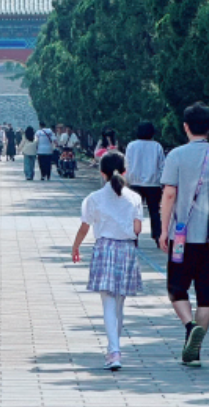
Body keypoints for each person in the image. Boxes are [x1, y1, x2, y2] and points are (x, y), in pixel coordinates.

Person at [159, 102, 209, 367]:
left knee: (177, 289)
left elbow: (169, 194)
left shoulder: (176, 155)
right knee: (207, 296)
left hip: (182, 239)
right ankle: (196, 349)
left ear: (186, 127)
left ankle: (190, 328)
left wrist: (163, 229)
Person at [72, 150, 143, 371]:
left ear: (102, 173)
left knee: (108, 304)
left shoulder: (94, 198)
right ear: (124, 171)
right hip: (126, 250)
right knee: (119, 304)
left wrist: (75, 247)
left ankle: (114, 351)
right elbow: (138, 229)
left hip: (105, 249)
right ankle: (114, 348)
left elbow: (85, 226)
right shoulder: (134, 198)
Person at [125, 121, 166, 245]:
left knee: (134, 211)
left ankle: (133, 236)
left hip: (135, 183)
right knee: (154, 211)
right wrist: (162, 182)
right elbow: (162, 166)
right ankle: (158, 236)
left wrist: (126, 181)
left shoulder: (132, 146)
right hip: (153, 184)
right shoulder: (157, 146)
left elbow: (127, 164)